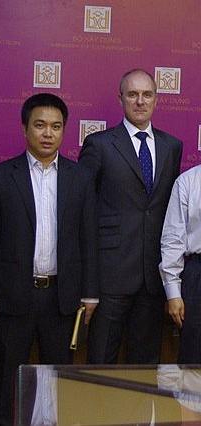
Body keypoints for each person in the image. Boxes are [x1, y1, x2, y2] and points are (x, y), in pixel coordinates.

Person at [0, 93, 98, 426]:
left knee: (57, 384)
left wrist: (90, 293)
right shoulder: (1, 176)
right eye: (40, 125)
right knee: (6, 382)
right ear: (24, 128)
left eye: (56, 127)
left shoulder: (81, 178)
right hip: (12, 297)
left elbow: (88, 238)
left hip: (62, 299)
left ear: (64, 130)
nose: (48, 133)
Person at [79, 68, 183, 364]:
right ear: (120, 98)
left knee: (144, 368)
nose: (140, 101)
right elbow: (82, 210)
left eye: (147, 94)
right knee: (100, 364)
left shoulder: (172, 146)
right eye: (133, 94)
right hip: (109, 277)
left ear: (156, 99)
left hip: (153, 278)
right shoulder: (99, 144)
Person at [160, 163, 201, 363]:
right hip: (197, 276)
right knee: (194, 356)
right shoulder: (188, 181)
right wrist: (173, 292)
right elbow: (173, 239)